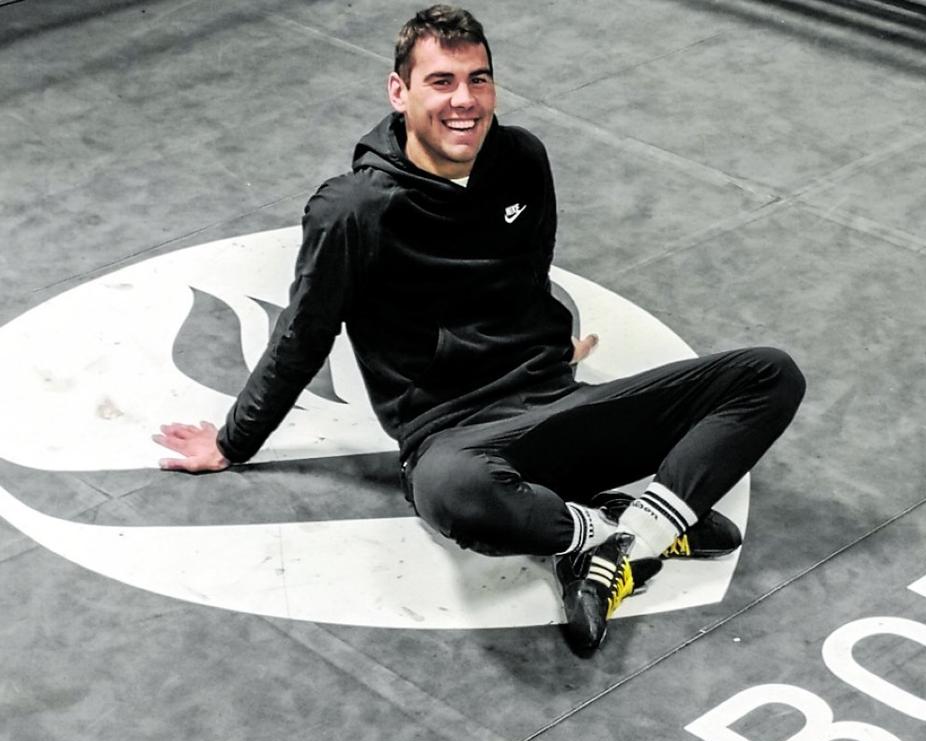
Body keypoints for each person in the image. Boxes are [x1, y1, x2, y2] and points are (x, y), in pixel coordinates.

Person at [154, 5, 805, 655]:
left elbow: (530, 276)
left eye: (479, 79)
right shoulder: (353, 211)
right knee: (454, 493)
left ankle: (623, 543)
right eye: (441, 81)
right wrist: (234, 442)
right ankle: (607, 530)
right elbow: (303, 334)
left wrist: (554, 351)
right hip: (456, 437)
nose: (464, 101)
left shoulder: (521, 158)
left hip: (555, 401)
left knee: (770, 376)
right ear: (398, 91)